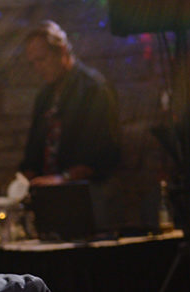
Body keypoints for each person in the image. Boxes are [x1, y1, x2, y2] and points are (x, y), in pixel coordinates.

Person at [19, 21, 120, 186]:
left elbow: (105, 152)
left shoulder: (93, 89)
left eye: (42, 59)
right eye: (33, 63)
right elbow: (34, 149)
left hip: (86, 194)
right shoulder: (45, 96)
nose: (38, 68)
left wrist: (64, 178)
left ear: (62, 51)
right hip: (49, 194)